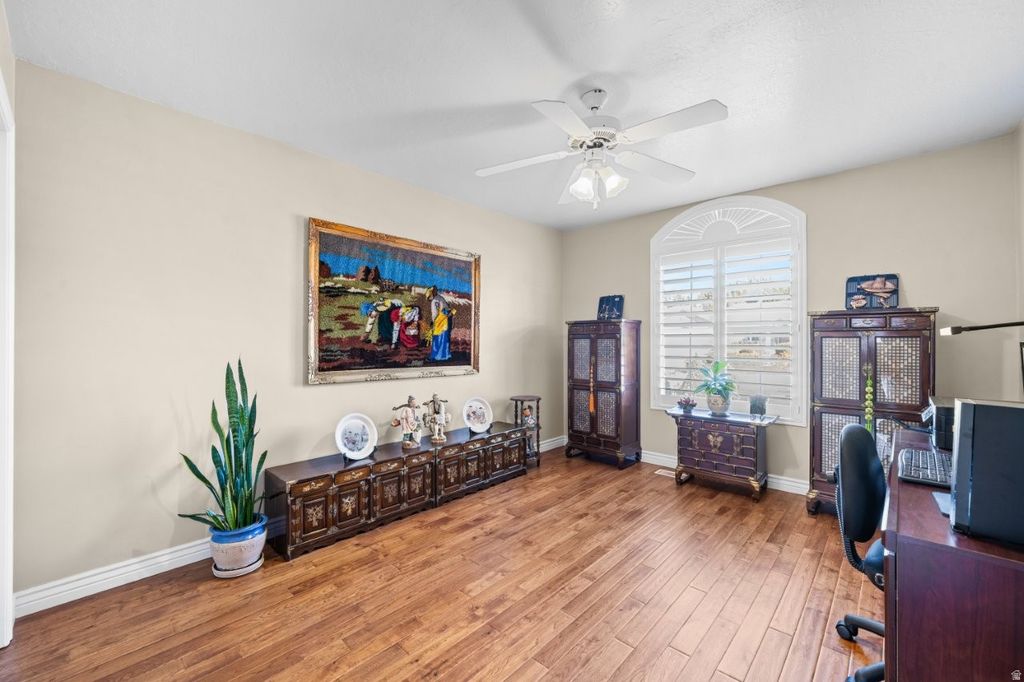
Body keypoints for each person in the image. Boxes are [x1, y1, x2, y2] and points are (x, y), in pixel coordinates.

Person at [428, 286, 454, 361]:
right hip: (445, 320)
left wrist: (433, 321)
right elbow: (447, 308)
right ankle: (445, 355)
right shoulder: (440, 298)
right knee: (444, 338)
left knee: (437, 338)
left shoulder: (435, 300)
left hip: (439, 320)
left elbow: (435, 313)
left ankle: (436, 356)